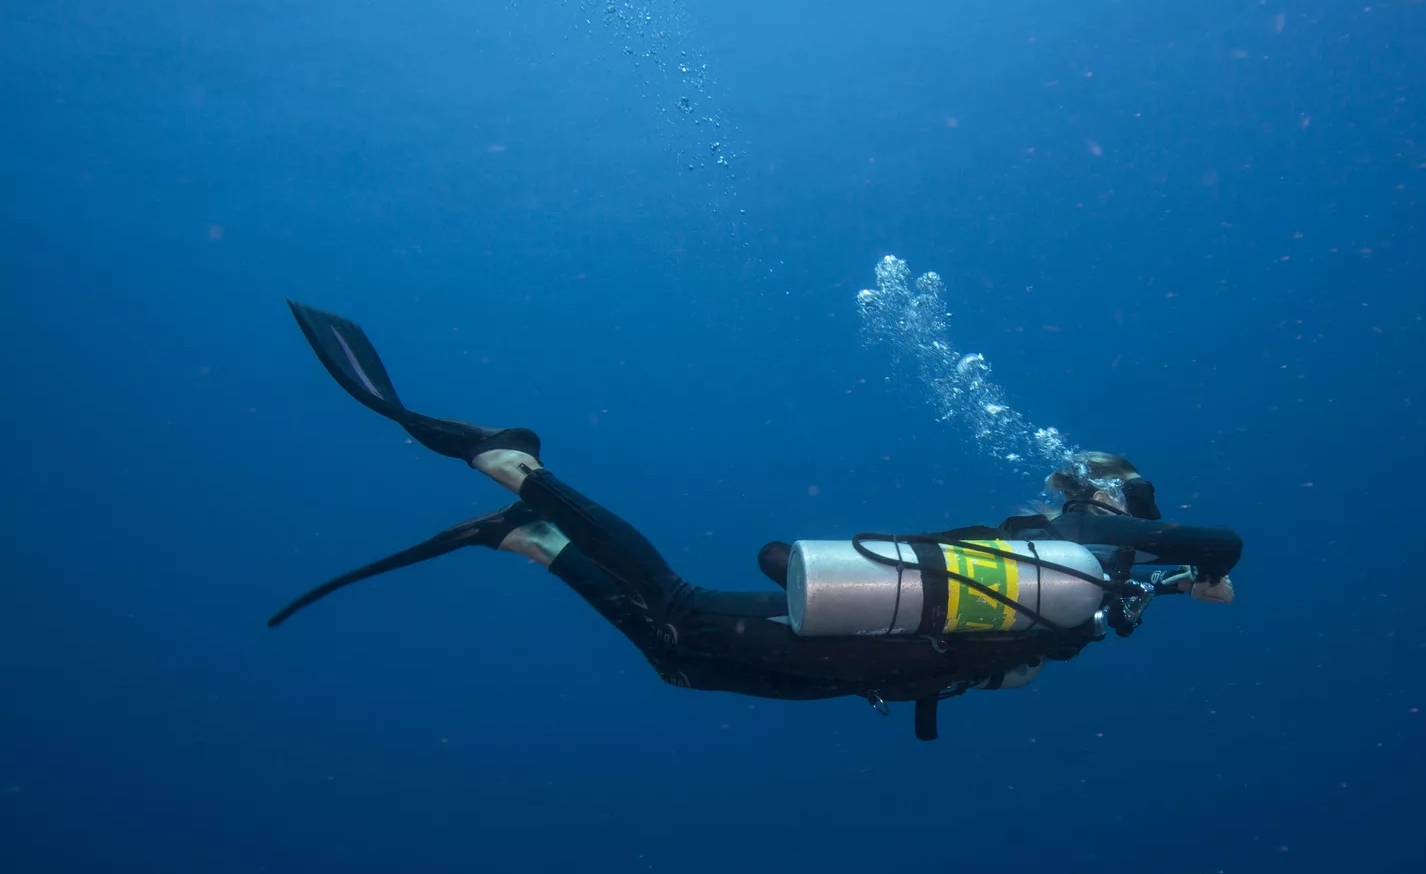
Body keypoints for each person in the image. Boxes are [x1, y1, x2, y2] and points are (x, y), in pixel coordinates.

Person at [269, 302, 1244, 740]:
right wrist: (1201, 568)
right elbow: (1222, 543)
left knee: (681, 661)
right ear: (1116, 503)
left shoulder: (1091, 564)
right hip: (886, 638)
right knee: (683, 611)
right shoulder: (1095, 542)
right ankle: (518, 469)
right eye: (1139, 512)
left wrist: (1168, 586)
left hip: (898, 660)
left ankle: (531, 537)